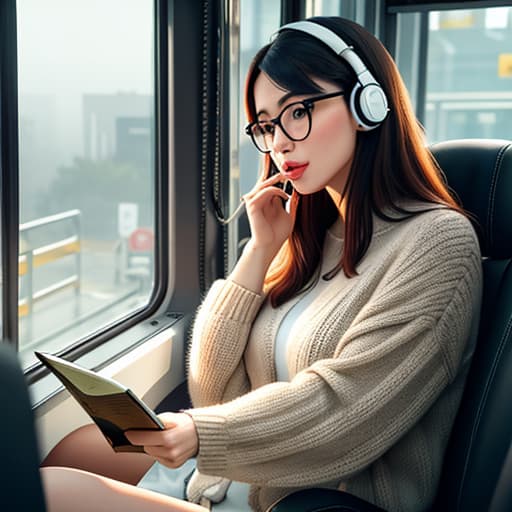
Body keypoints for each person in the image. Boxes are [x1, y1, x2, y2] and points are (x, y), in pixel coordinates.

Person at [41, 16, 482, 512]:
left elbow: (344, 408)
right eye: (267, 125)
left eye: (298, 112)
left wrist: (199, 433)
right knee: (70, 448)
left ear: (367, 103)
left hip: (315, 502)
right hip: (240, 479)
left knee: (55, 492)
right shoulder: (317, 236)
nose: (279, 143)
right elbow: (212, 389)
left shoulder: (438, 244)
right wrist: (259, 251)